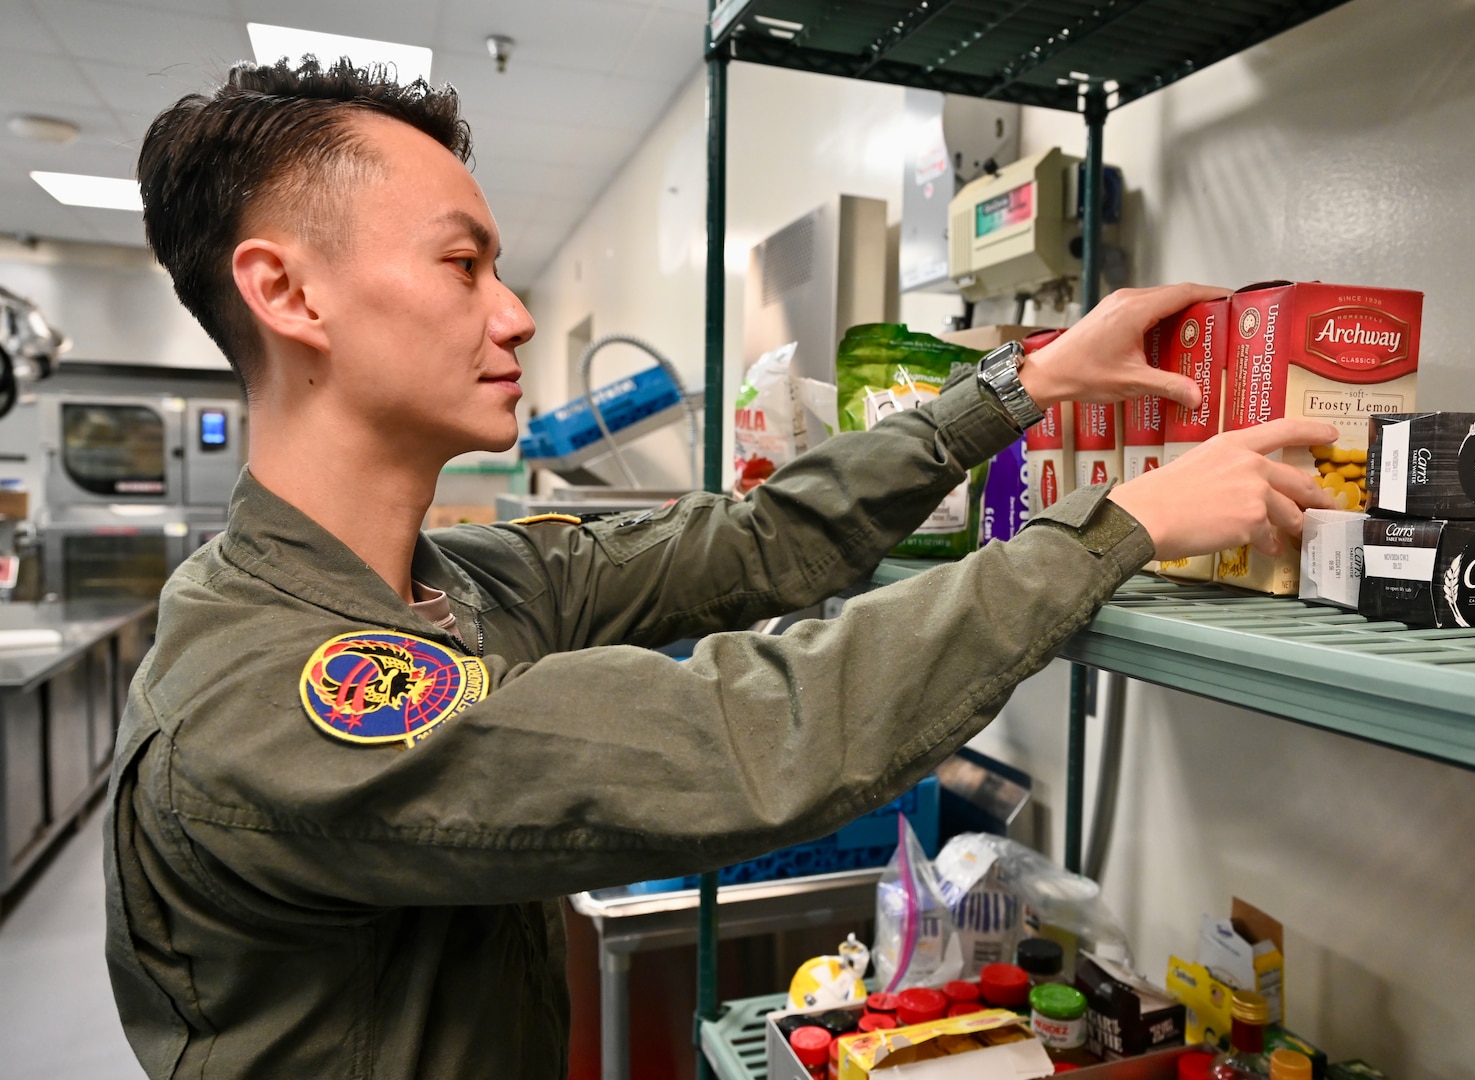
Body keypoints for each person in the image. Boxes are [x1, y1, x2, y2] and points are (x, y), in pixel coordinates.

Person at [105, 58, 1334, 1079]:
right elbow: (742, 736)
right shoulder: (265, 689)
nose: (516, 313)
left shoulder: (462, 583)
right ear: (287, 292)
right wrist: (1114, 527)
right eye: (463, 264)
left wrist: (1022, 384)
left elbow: (757, 543)